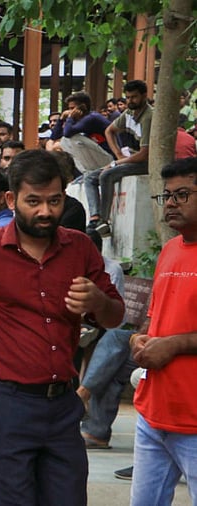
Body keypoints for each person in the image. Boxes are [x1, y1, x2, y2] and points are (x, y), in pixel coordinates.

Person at [0, 149, 124, 506]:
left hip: (63, 405)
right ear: (11, 199)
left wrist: (97, 301)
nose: (45, 211)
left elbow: (114, 317)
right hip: (4, 406)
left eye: (54, 200)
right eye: (33, 201)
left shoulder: (79, 247)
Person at [129, 156, 197, 504]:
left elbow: (173, 338)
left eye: (182, 194)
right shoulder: (170, 250)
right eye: (166, 196)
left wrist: (173, 345)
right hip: (153, 415)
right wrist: (142, 339)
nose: (170, 203)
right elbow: (156, 320)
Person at [86, 80, 153, 236]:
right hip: (130, 158)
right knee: (89, 177)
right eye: (128, 97)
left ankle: (104, 221)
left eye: (134, 97)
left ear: (144, 96)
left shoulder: (149, 117)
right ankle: (95, 218)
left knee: (107, 174)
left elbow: (144, 154)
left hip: (145, 163)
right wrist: (118, 154)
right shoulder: (128, 113)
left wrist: (117, 162)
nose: (130, 101)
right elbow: (109, 131)